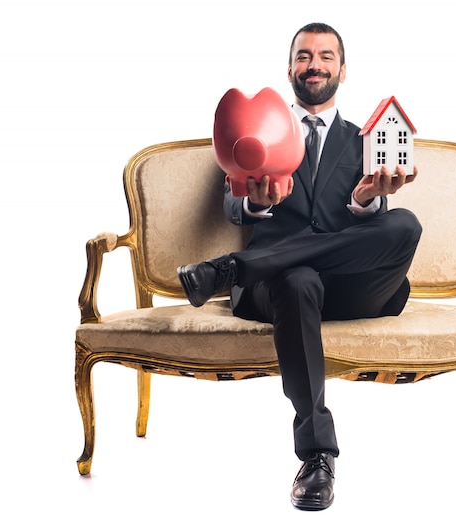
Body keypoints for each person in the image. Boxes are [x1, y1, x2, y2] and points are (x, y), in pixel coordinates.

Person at [178, 22, 421, 511]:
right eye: (305, 56)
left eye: (326, 56)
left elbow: (377, 230)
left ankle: (230, 268)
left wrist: (365, 200)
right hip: (282, 289)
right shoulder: (255, 134)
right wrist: (255, 204)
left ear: (343, 70)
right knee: (298, 277)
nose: (315, 65)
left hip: (353, 286)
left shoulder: (365, 140)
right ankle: (317, 458)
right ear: (290, 68)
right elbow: (232, 205)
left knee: (406, 224)